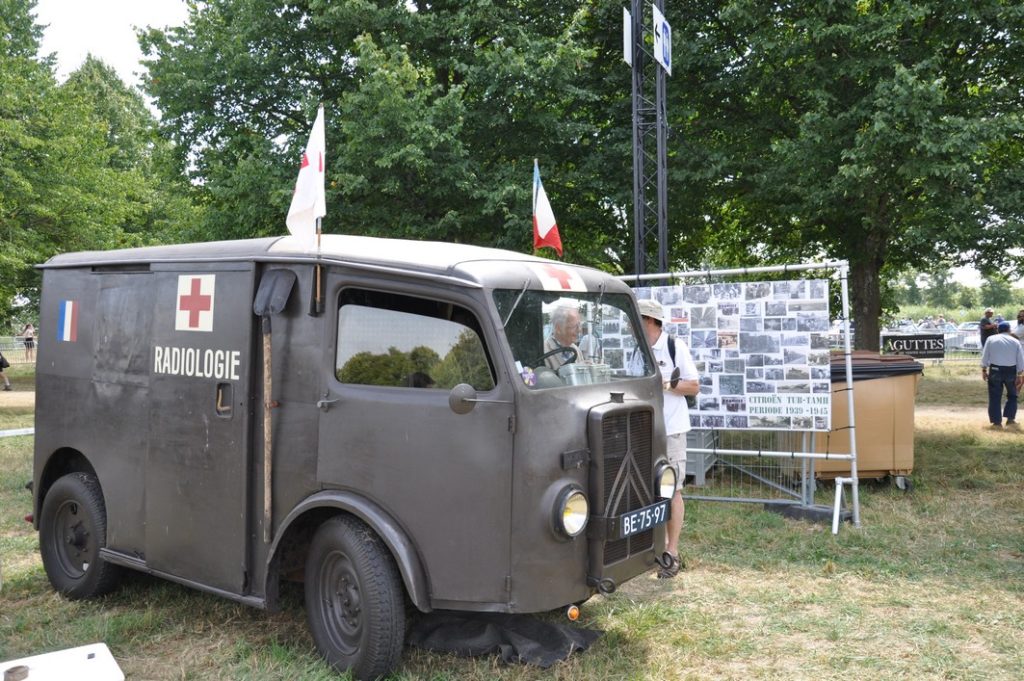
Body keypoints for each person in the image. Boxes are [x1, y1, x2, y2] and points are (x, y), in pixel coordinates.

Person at [632, 298, 699, 578]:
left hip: (670, 431)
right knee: (643, 490)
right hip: (642, 431)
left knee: (672, 490)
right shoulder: (638, 350)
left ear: (649, 320)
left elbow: (694, 385)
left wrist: (667, 383)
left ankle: (671, 552)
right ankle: (644, 550)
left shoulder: (675, 346)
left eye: (638, 320)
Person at [980, 321, 1024, 429]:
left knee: (995, 397)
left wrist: (984, 369)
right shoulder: (1015, 341)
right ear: (1009, 330)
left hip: (995, 369)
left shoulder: (991, 339)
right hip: (1011, 371)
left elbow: (985, 355)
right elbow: (1020, 359)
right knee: (1012, 395)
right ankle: (1010, 419)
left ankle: (996, 423)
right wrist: (1020, 375)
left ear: (997, 330)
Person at [543, 305, 583, 370]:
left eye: (579, 325)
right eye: (574, 326)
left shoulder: (576, 350)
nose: (579, 330)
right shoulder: (544, 352)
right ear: (558, 328)